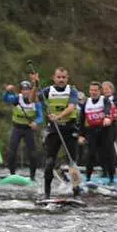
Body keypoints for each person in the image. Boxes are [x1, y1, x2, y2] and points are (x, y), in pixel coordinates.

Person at [38, 66, 81, 198]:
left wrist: (58, 117)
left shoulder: (72, 91)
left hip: (69, 128)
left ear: (67, 78)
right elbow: (32, 100)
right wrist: (35, 85)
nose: (61, 80)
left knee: (72, 162)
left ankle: (76, 190)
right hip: (54, 130)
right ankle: (47, 193)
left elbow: (71, 107)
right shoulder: (47, 90)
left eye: (63, 77)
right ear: (54, 78)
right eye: (58, 77)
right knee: (49, 162)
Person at [2, 80, 42, 179]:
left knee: (32, 154)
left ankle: (32, 176)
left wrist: (36, 122)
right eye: (23, 90)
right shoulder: (16, 98)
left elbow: (40, 117)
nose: (25, 92)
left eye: (27, 90)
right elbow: (5, 99)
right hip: (17, 128)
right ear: (21, 91)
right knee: (12, 152)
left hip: (28, 129)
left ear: (31, 91)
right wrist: (7, 91)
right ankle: (12, 174)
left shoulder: (36, 102)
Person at [78, 82, 116, 185]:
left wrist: (107, 117)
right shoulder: (86, 102)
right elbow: (81, 120)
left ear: (100, 91)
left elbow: (108, 108)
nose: (93, 92)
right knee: (90, 155)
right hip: (92, 131)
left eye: (95, 90)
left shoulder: (105, 100)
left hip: (105, 130)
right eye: (91, 90)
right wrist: (81, 135)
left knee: (108, 154)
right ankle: (88, 178)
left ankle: (111, 178)